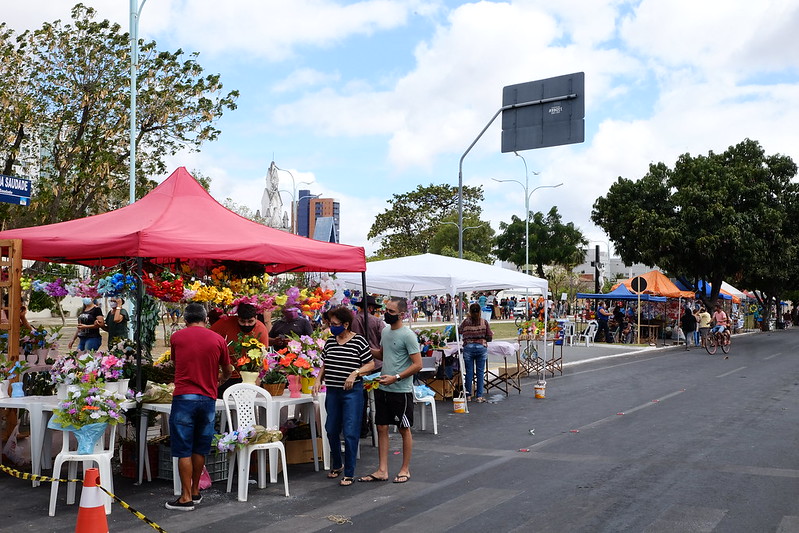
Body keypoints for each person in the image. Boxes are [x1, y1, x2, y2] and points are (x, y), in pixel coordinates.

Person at [165, 303, 232, 511]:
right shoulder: (218, 339)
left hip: (184, 397)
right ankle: (195, 490)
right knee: (199, 447)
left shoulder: (177, 337)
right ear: (206, 320)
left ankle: (185, 498)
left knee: (183, 448)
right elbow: (228, 369)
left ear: (185, 320)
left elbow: (176, 363)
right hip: (207, 399)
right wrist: (220, 379)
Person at [358, 297, 422, 484]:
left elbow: (417, 364)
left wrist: (397, 377)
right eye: (386, 310)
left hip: (400, 389)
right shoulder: (385, 331)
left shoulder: (408, 335)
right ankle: (382, 469)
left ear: (402, 314)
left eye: (391, 311)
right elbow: (384, 354)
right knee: (381, 427)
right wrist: (365, 348)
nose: (386, 313)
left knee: (403, 428)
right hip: (383, 386)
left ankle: (405, 469)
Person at [313, 306, 374, 486]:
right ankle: (337, 463)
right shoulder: (331, 342)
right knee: (331, 428)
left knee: (350, 431)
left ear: (346, 324)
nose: (332, 327)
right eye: (330, 324)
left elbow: (370, 364)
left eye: (335, 324)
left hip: (352, 393)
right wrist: (318, 379)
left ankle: (349, 471)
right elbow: (325, 364)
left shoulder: (359, 342)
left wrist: (355, 373)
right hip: (333, 390)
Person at [210, 303, 269, 397]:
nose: (246, 325)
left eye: (250, 321)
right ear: (237, 318)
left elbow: (262, 357)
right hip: (227, 374)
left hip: (248, 376)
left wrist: (257, 377)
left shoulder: (261, 330)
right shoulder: (226, 322)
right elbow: (209, 336)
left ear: (256, 318)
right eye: (242, 321)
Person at [459, 303, 494, 402]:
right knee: (480, 372)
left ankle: (468, 395)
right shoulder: (484, 322)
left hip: (468, 347)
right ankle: (479, 396)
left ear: (470, 311)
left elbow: (459, 331)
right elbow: (489, 337)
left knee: (469, 372)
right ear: (480, 312)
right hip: (481, 347)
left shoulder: (466, 322)